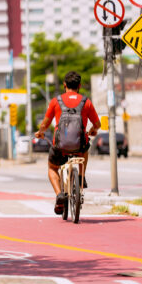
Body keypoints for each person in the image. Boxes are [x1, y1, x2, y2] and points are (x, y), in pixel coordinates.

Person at [35, 71, 101, 215]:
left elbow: (45, 124)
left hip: (60, 147)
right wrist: (93, 130)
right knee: (86, 146)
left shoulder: (56, 101)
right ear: (79, 86)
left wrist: (40, 132)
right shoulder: (86, 102)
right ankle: (81, 177)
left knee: (52, 168)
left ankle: (59, 194)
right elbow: (97, 123)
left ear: (64, 85)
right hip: (79, 146)